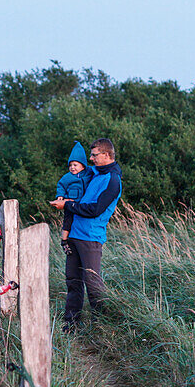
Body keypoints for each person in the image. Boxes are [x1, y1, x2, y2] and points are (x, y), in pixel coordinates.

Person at [49, 138, 122, 332]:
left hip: (91, 238)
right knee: (73, 281)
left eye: (94, 155)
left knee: (93, 283)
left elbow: (95, 209)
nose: (91, 159)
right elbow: (76, 179)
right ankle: (70, 325)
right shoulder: (95, 173)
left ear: (106, 155)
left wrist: (67, 205)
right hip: (74, 234)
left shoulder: (113, 180)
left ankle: (102, 327)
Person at [55, 141, 95, 254]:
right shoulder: (68, 177)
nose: (72, 168)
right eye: (70, 165)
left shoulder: (89, 172)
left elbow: (97, 170)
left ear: (83, 165)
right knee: (67, 221)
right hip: (70, 203)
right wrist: (60, 196)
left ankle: (77, 241)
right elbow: (61, 185)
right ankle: (64, 240)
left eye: (75, 165)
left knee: (80, 221)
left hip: (81, 205)